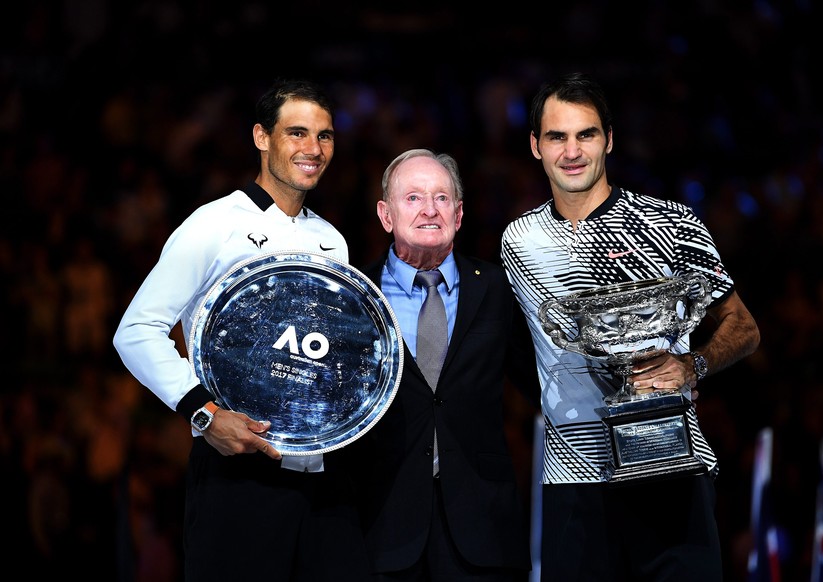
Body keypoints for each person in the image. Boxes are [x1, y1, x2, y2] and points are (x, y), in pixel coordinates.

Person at [500, 72, 761, 581]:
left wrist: (692, 365)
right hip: (570, 478)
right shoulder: (518, 241)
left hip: (670, 465)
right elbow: (515, 349)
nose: (572, 151)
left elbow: (744, 326)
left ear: (609, 139)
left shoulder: (671, 223)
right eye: (557, 136)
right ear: (535, 146)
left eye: (586, 134)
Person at [112, 78, 371, 581]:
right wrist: (205, 414)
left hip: (323, 479)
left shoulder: (331, 242)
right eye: (296, 133)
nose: (312, 149)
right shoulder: (213, 223)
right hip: (239, 476)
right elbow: (137, 329)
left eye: (325, 136)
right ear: (261, 137)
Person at [339, 148, 539, 581]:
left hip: (483, 532)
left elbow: (546, 386)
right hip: (377, 529)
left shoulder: (501, 291)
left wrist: (633, 390)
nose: (430, 209)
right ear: (385, 214)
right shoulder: (351, 295)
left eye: (442, 198)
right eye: (412, 198)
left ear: (460, 213)